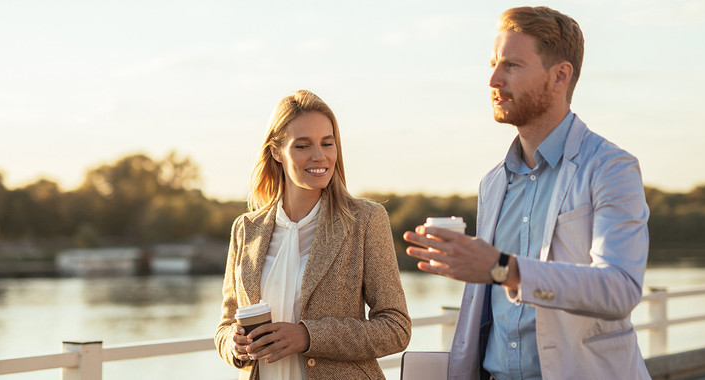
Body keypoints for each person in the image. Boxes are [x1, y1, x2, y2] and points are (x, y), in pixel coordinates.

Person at [403, 6, 650, 380]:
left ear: (559, 76)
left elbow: (619, 290)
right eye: (493, 64)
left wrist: (504, 269)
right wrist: (471, 265)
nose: (493, 80)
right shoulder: (493, 183)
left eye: (511, 66)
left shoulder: (611, 168)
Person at [215, 89, 411, 379]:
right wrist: (233, 345)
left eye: (327, 143)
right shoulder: (246, 229)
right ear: (276, 152)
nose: (319, 156)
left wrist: (309, 337)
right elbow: (226, 324)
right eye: (303, 146)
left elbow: (396, 328)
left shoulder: (365, 221)